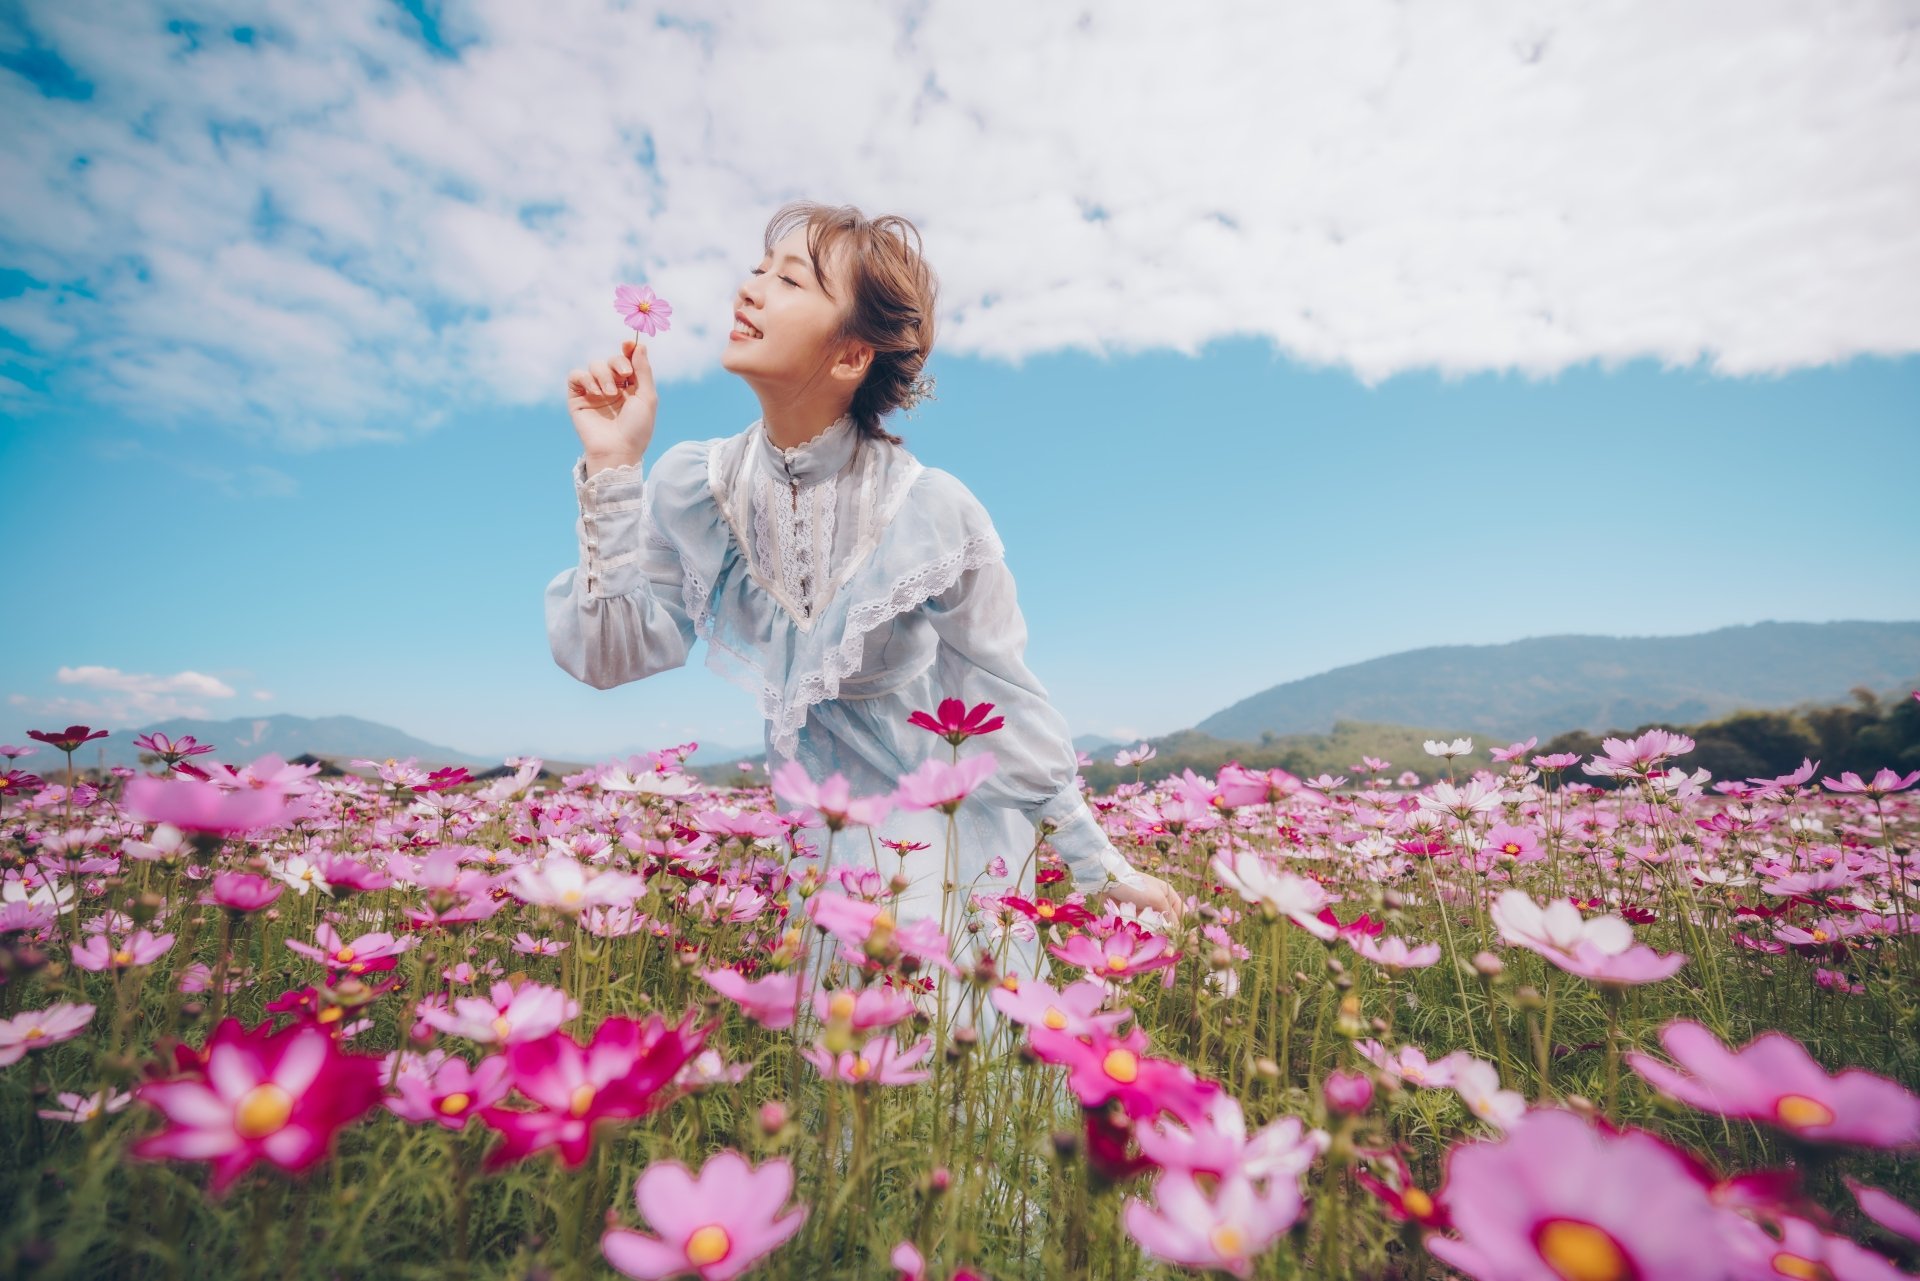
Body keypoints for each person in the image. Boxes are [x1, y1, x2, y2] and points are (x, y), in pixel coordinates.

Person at [544, 200, 1183, 1006]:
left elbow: (1005, 700)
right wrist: (611, 465)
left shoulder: (932, 512)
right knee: (854, 1088)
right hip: (824, 840)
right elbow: (609, 653)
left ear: (850, 354)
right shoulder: (692, 485)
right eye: (756, 270)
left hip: (950, 835)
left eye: (787, 279)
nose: (749, 290)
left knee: (950, 1065)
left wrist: (1102, 868)